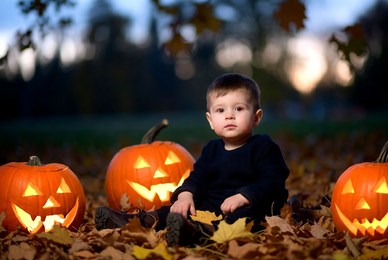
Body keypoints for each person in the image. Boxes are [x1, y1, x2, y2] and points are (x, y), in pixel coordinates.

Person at [95, 73, 290, 247]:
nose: (229, 115)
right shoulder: (211, 150)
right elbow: (198, 177)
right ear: (210, 120)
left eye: (239, 109)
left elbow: (273, 180)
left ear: (256, 117)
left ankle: (199, 233)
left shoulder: (263, 147)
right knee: (178, 209)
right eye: (221, 110)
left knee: (247, 216)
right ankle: (139, 221)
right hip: (213, 206)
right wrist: (186, 194)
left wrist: (245, 196)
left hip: (252, 206)